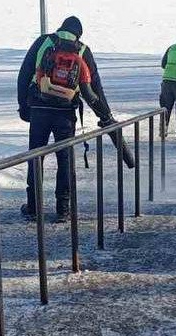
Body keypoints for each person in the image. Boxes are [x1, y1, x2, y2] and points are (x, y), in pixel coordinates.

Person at [18, 16, 114, 221]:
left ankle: (33, 206)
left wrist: (23, 106)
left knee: (36, 156)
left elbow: (24, 73)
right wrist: (106, 115)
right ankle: (63, 208)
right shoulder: (82, 50)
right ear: (78, 34)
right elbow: (95, 87)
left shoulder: (43, 42)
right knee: (65, 159)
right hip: (65, 112)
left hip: (39, 107)